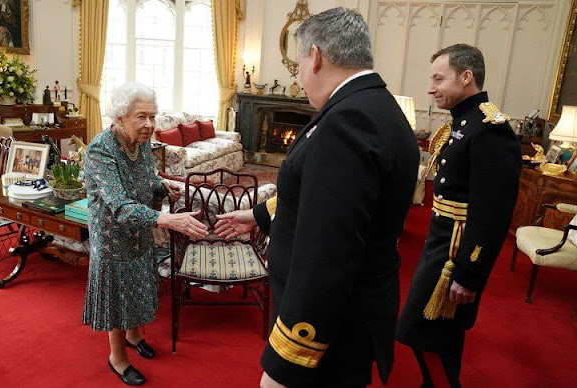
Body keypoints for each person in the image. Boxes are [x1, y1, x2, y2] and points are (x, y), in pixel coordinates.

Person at [214, 8, 419, 387]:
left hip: (328, 329)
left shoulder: (346, 122)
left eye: (298, 62)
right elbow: (327, 198)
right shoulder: (375, 107)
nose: (299, 74)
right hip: (354, 312)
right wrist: (259, 215)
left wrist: (289, 355)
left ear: (316, 56)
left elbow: (328, 250)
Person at [396, 44, 522, 387]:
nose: (430, 87)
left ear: (466, 77)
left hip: (456, 252)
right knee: (437, 332)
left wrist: (470, 273)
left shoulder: (490, 129)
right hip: (442, 242)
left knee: (426, 329)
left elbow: (493, 213)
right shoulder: (465, 121)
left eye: (439, 78)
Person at [82, 82, 208, 386]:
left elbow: (148, 178)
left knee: (138, 284)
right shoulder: (101, 149)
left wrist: (162, 187)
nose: (150, 124)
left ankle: (134, 335)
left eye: (153, 116)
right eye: (142, 117)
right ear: (120, 116)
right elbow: (119, 205)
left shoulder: (140, 145)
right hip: (113, 238)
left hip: (140, 231)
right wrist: (167, 220)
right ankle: (118, 358)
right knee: (119, 296)